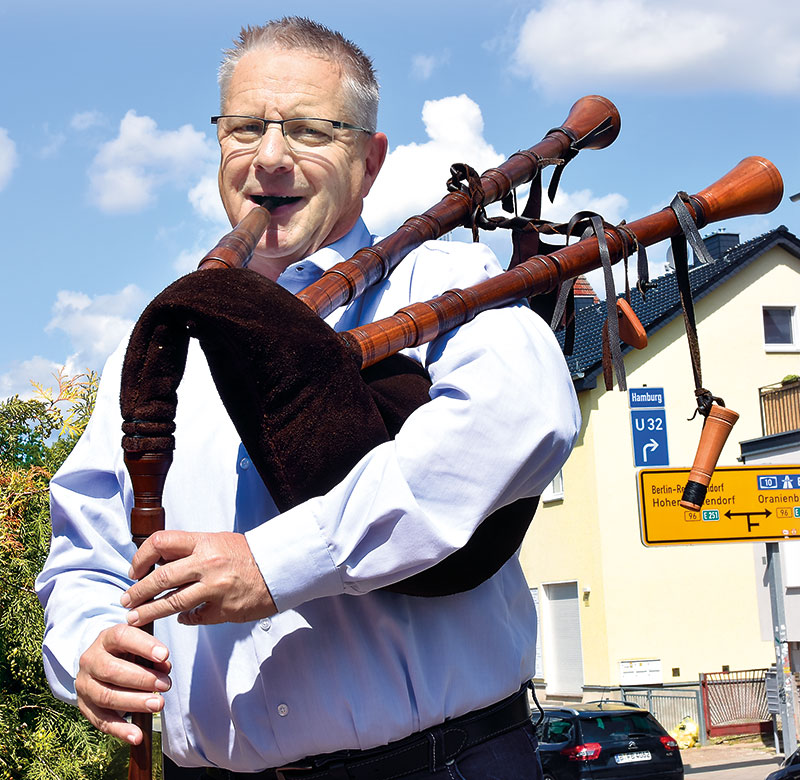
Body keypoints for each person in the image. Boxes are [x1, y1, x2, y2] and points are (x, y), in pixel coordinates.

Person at [36, 17, 580, 780]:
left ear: (370, 159)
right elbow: (86, 550)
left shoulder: (446, 284)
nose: (269, 157)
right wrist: (87, 645)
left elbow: (521, 426)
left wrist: (274, 563)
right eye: (245, 128)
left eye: (308, 130)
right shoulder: (161, 341)